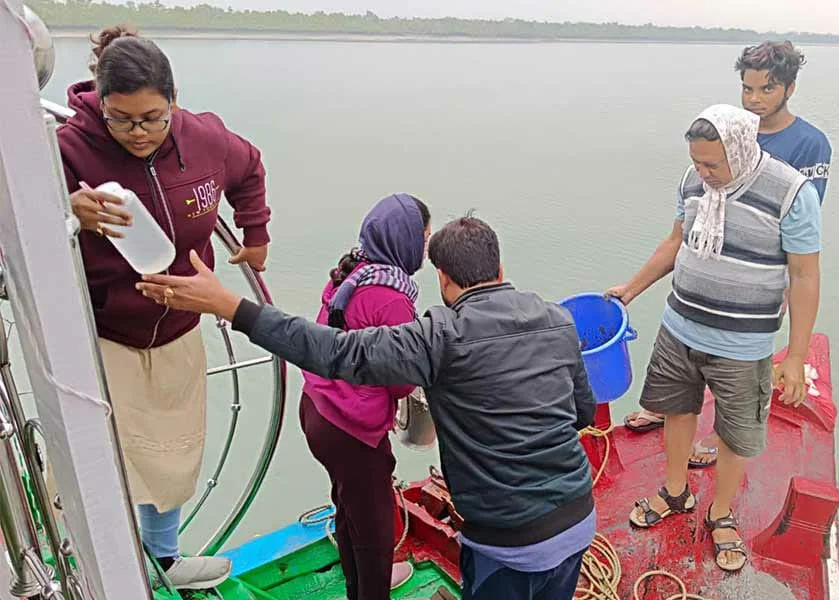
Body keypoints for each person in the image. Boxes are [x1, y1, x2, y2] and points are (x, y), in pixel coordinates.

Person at [137, 216, 599, 600]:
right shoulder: (558, 320)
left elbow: (335, 352)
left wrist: (231, 306)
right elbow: (581, 412)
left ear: (442, 278)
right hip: (578, 520)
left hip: (507, 543)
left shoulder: (438, 337)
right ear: (500, 267)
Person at [57, 26, 271, 590]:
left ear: (174, 101)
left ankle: (165, 558)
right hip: (104, 332)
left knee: (172, 451)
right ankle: (93, 564)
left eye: (153, 118)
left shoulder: (205, 139)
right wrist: (66, 206)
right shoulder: (69, 149)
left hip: (179, 323)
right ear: (100, 105)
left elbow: (249, 168)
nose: (138, 133)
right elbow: (18, 223)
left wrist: (255, 233)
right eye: (121, 120)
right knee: (104, 458)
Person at [609, 105, 820, 572]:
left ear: (741, 151)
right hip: (680, 327)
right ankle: (675, 491)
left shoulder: (790, 193)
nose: (703, 173)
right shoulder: (693, 181)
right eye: (697, 162)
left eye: (712, 165)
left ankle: (721, 511)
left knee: (735, 433)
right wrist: (632, 289)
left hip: (743, 345)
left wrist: (796, 355)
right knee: (676, 409)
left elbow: (805, 275)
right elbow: (675, 242)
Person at [624, 41, 832, 469]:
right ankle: (671, 412)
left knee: (737, 376)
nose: (754, 100)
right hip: (699, 288)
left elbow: (802, 245)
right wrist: (631, 289)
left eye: (767, 89)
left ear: (790, 88)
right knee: (685, 362)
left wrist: (795, 347)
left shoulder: (808, 146)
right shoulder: (723, 136)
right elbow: (681, 233)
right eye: (747, 89)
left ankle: (722, 437)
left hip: (758, 277)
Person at [300, 193, 431, 600]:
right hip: (351, 431)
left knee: (347, 506)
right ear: (405, 240)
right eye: (424, 238)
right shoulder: (392, 298)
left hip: (316, 408)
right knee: (375, 532)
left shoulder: (350, 273)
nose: (426, 247)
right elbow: (402, 383)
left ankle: (356, 587)